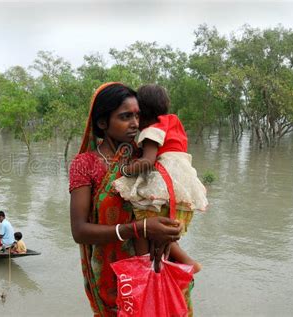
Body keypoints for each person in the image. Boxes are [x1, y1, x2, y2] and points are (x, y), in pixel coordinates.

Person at [69, 82, 184, 316]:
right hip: (111, 275)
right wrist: (139, 228)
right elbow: (79, 231)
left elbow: (171, 198)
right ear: (103, 123)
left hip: (156, 264)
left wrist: (171, 228)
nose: (135, 123)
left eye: (138, 115)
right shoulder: (85, 164)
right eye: (125, 116)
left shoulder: (147, 154)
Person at [113, 84, 207, 273]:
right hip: (183, 183)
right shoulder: (174, 122)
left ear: (142, 112)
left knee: (142, 225)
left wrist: (126, 169)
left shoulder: (152, 131)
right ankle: (180, 264)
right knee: (164, 233)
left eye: (136, 114)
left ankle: (144, 266)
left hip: (164, 183)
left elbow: (148, 161)